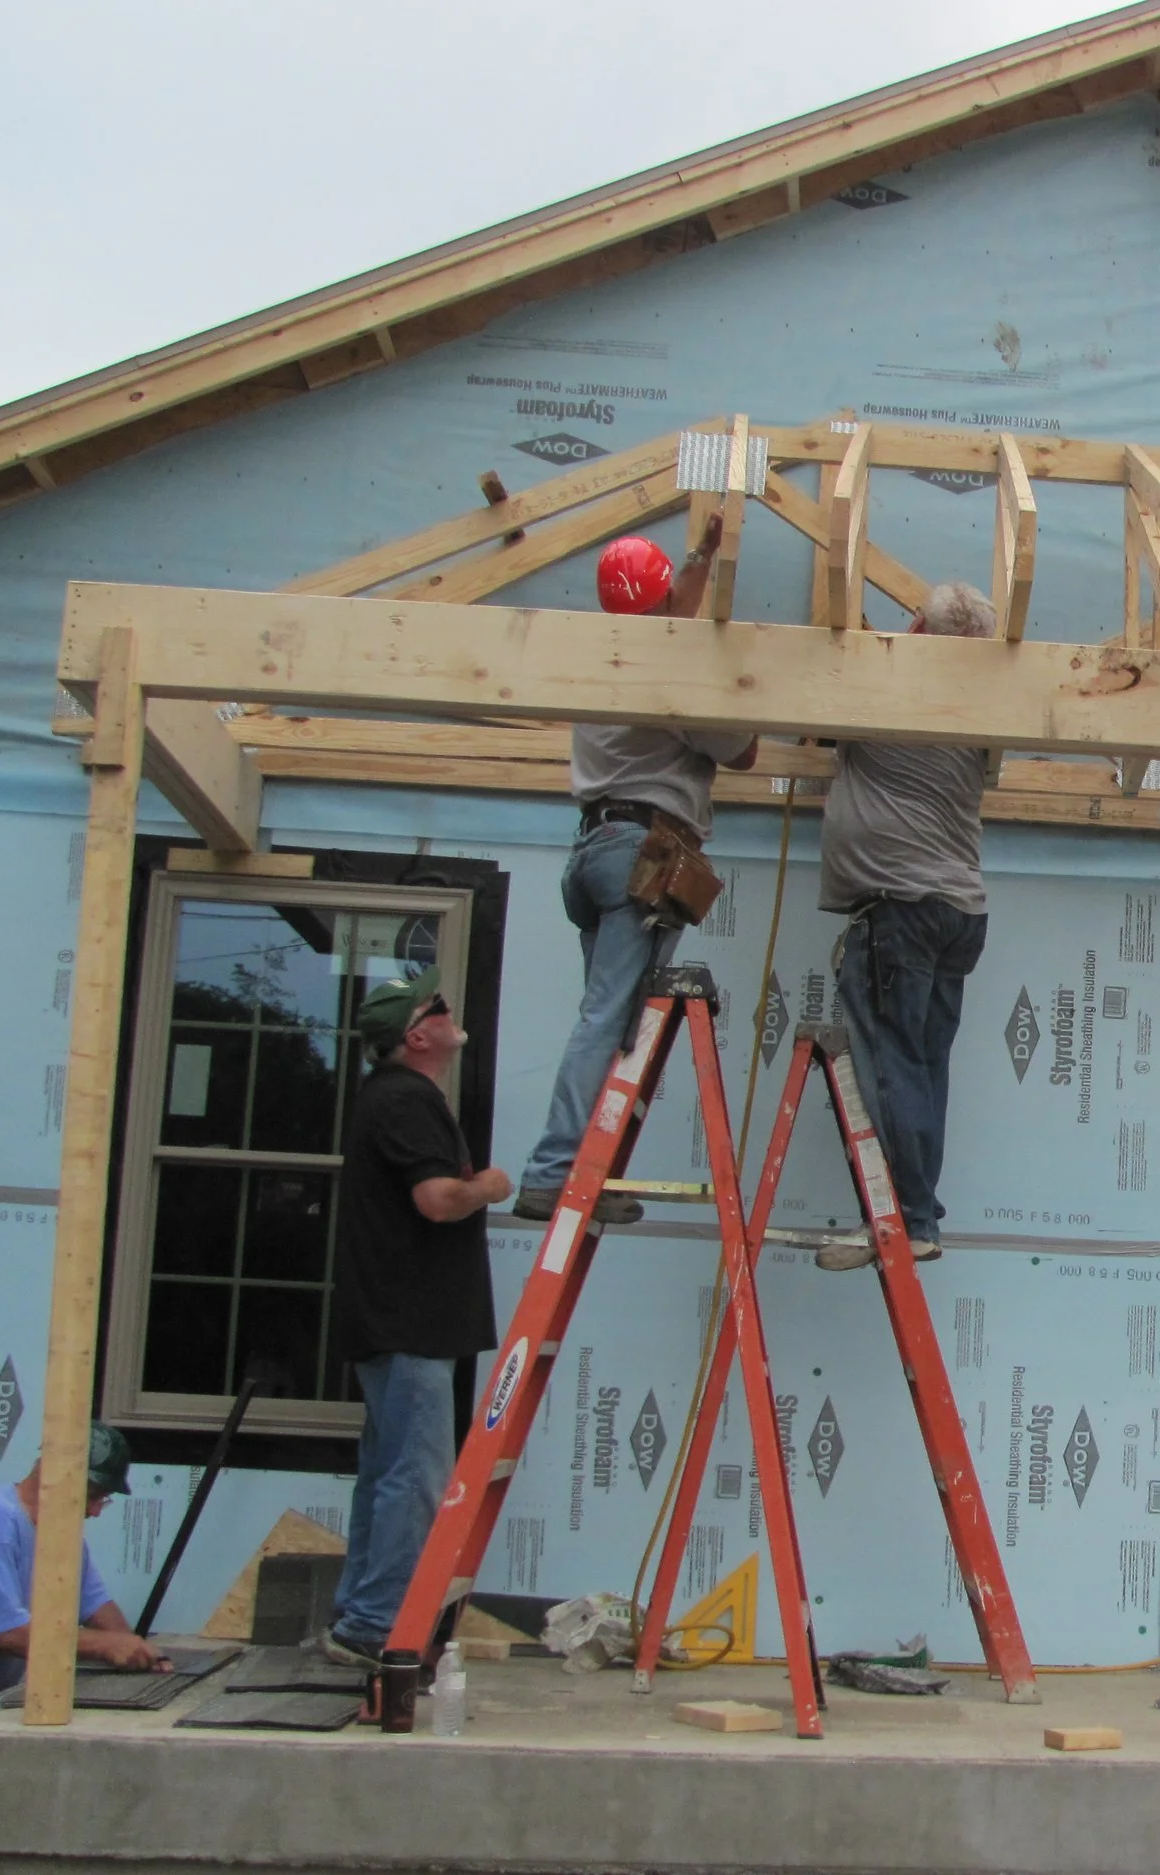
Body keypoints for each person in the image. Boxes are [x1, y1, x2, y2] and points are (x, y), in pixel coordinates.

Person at [515, 523, 759, 1225]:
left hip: (594, 852)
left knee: (611, 1018)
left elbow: (666, 613)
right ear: (657, 610)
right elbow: (741, 751)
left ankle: (586, 1173)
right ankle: (555, 1172)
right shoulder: (665, 673)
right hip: (642, 856)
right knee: (606, 1019)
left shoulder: (607, 656)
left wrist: (701, 559)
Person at [323, 968, 510, 1670]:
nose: (452, 1009)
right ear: (416, 1033)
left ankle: (357, 1612)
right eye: (439, 1006)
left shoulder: (390, 1097)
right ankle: (373, 1625)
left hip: (394, 1321)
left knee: (386, 1470)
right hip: (411, 1324)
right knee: (416, 1476)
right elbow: (437, 1200)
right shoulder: (406, 1099)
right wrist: (487, 1186)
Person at [813, 581, 995, 1272]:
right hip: (960, 913)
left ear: (918, 628)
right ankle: (916, 1213)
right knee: (922, 1068)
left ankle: (908, 1218)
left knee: (889, 1065)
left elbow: (818, 713)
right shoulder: (973, 714)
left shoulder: (884, 695)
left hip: (903, 910)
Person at [0, 1425, 163, 1875]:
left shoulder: (58, 1534)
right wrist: (105, 1647)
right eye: (98, 1495)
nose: (98, 1511)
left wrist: (139, 1652)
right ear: (67, 1479)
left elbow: (97, 1606)